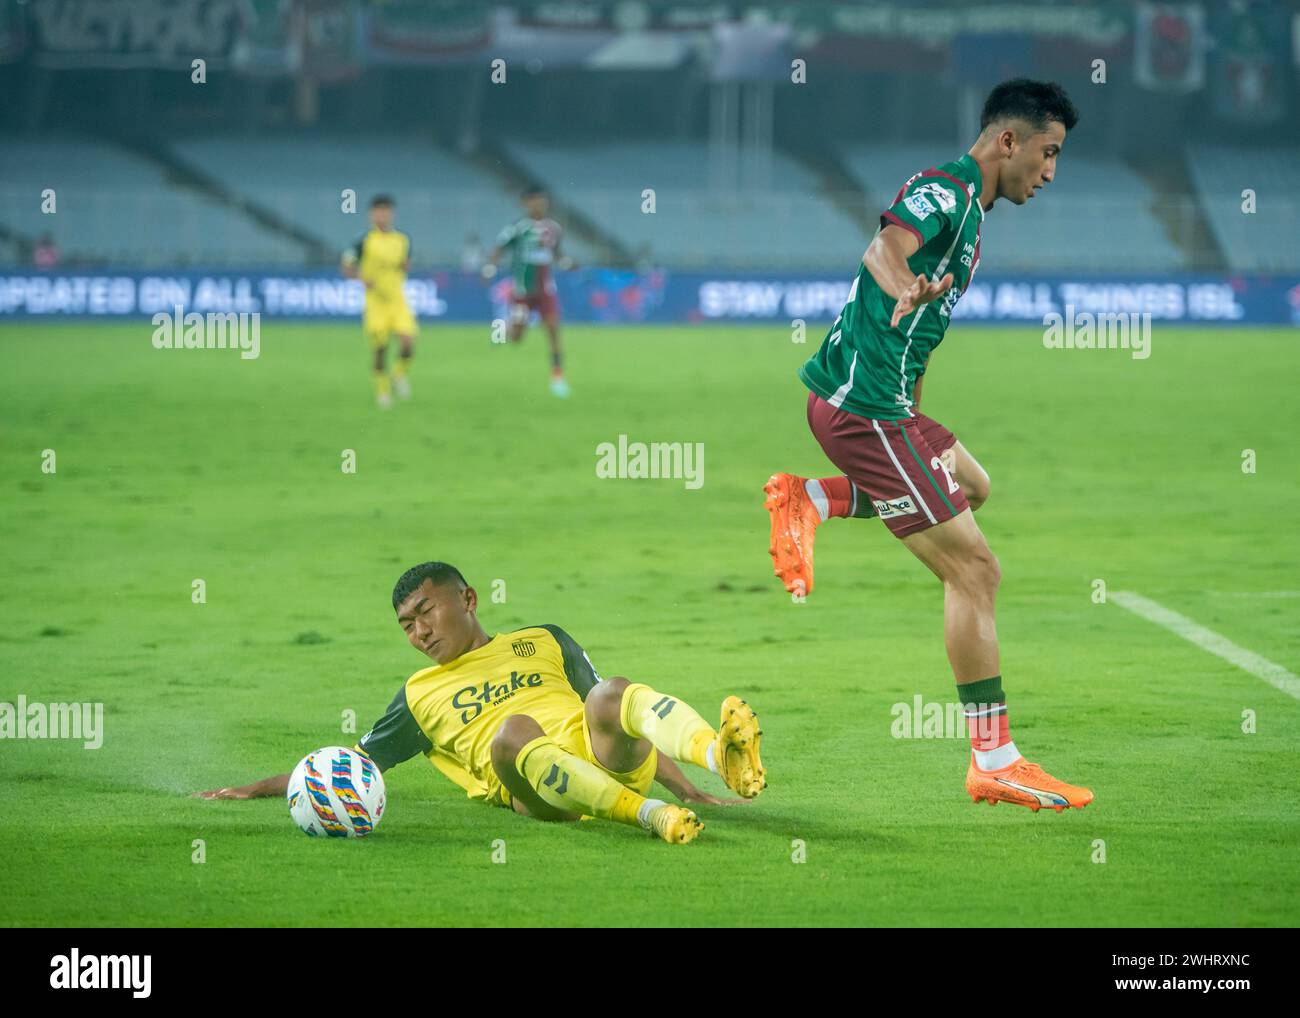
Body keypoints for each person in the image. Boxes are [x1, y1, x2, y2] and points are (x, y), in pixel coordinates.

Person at [764, 79, 1092, 813]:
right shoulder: (947, 191)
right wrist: (903, 281)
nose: (1050, 172)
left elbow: (910, 302)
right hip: (866, 409)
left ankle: (808, 498)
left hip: (886, 405)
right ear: (1008, 140)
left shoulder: (970, 208)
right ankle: (995, 759)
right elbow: (885, 247)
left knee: (971, 485)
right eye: (1048, 152)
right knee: (976, 571)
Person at [199, 562, 767, 845]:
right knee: (513, 731)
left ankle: (717, 758)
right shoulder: (418, 695)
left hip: (603, 757)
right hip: (535, 789)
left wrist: (692, 790)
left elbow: (614, 715)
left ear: (468, 599)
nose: (419, 631)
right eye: (406, 625)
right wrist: (263, 787)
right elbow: (350, 766)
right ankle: (651, 818)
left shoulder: (543, 640)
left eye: (426, 611)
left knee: (613, 690)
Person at [482, 186, 574, 397]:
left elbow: (558, 254)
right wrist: (489, 268)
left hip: (545, 291)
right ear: (525, 204)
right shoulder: (517, 228)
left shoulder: (554, 228)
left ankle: (558, 379)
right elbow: (498, 249)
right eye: (533, 201)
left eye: (541, 200)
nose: (538, 205)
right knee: (517, 337)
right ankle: (504, 330)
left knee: (553, 331)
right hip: (523, 290)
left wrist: (567, 263)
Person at [340, 195, 416, 408]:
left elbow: (405, 263)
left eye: (386, 211)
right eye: (378, 211)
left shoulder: (402, 240)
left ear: (392, 214)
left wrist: (403, 267)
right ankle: (382, 392)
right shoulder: (363, 240)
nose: (382, 215)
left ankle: (399, 374)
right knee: (380, 349)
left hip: (397, 300)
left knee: (408, 342)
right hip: (375, 302)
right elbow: (346, 266)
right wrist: (361, 278)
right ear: (371, 214)